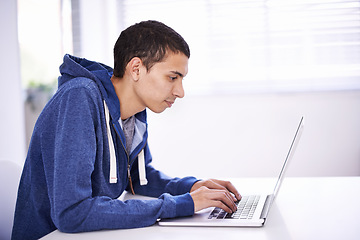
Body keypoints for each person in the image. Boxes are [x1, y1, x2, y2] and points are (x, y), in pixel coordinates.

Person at [12, 20, 241, 240]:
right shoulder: (80, 98)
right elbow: (72, 213)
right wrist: (183, 204)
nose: (180, 92)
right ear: (136, 68)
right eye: (172, 77)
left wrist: (192, 188)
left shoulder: (134, 111)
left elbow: (139, 179)